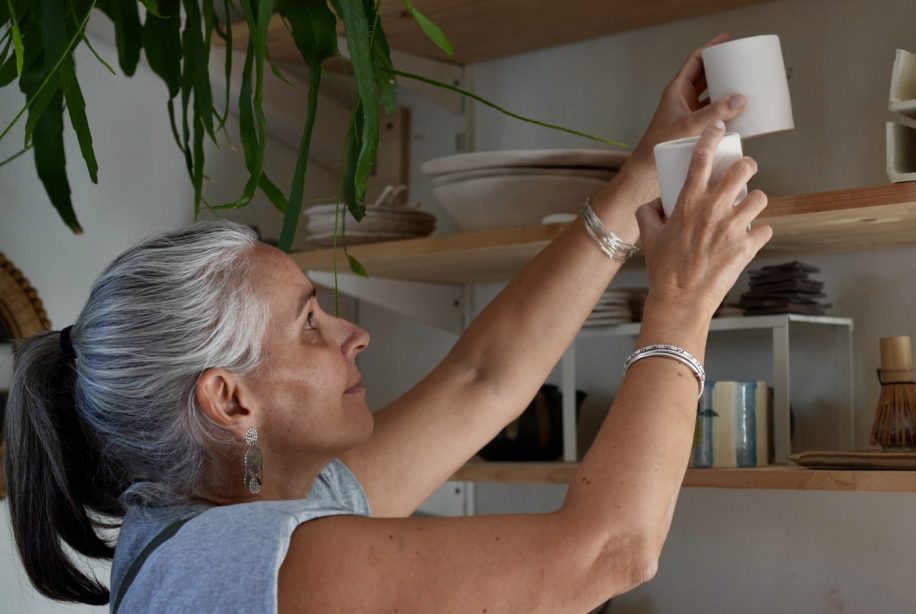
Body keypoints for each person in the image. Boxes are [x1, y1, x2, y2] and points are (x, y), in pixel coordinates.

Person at [3, 33, 771, 612]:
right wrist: (683, 298)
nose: (353, 334)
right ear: (230, 401)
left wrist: (643, 170)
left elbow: (484, 378)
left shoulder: (258, 515)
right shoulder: (248, 561)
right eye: (309, 324)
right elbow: (608, 552)